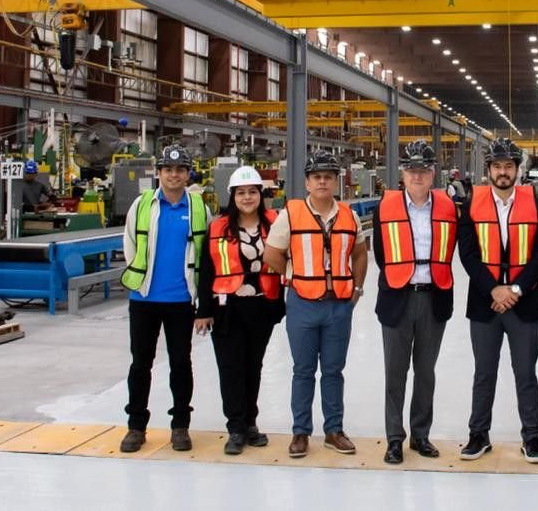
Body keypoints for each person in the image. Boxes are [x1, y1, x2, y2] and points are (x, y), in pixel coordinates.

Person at [263, 150, 368, 459]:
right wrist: (293, 276)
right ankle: (301, 432)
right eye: (317, 177)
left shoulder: (349, 215)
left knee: (334, 370)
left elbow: (360, 253)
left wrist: (357, 289)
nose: (322, 182)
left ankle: (334, 430)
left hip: (339, 305)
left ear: (337, 182)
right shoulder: (290, 214)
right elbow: (272, 254)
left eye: (328, 177)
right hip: (302, 305)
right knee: (303, 370)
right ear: (307, 182)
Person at [458, 138, 538, 463]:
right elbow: (468, 254)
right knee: (484, 373)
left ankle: (532, 437)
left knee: (525, 373)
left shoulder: (534, 202)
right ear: (488, 170)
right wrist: (493, 290)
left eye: (508, 166)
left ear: (517, 170)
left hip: (523, 303)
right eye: (497, 166)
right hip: (484, 303)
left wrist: (515, 290)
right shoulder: (472, 202)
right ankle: (478, 435)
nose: (503, 172)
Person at [118, 144, 210, 454]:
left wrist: (200, 300)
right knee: (140, 364)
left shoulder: (198, 208)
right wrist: (140, 279)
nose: (174, 175)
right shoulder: (142, 204)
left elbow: (205, 255)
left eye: (180, 169)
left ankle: (180, 426)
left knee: (181, 363)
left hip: (181, 301)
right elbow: (130, 242)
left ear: (188, 174)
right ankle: (136, 426)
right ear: (159, 173)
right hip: (144, 299)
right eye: (168, 169)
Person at [372, 140, 457, 464]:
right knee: (394, 372)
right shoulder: (385, 208)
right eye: (411, 170)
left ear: (433, 173)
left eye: (423, 170)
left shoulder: (448, 207)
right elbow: (381, 254)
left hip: (434, 298)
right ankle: (394, 438)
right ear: (402, 174)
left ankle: (420, 435)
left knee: (425, 372)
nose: (417, 176)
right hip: (398, 298)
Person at [196, 165, 285, 455]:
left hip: (262, 306)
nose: (247, 197)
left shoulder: (275, 223)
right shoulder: (218, 227)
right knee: (231, 368)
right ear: (232, 197)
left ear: (261, 195)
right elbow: (207, 270)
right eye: (241, 193)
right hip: (227, 309)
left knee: (253, 367)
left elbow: (289, 259)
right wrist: (203, 310)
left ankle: (250, 424)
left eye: (252, 192)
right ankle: (235, 428)